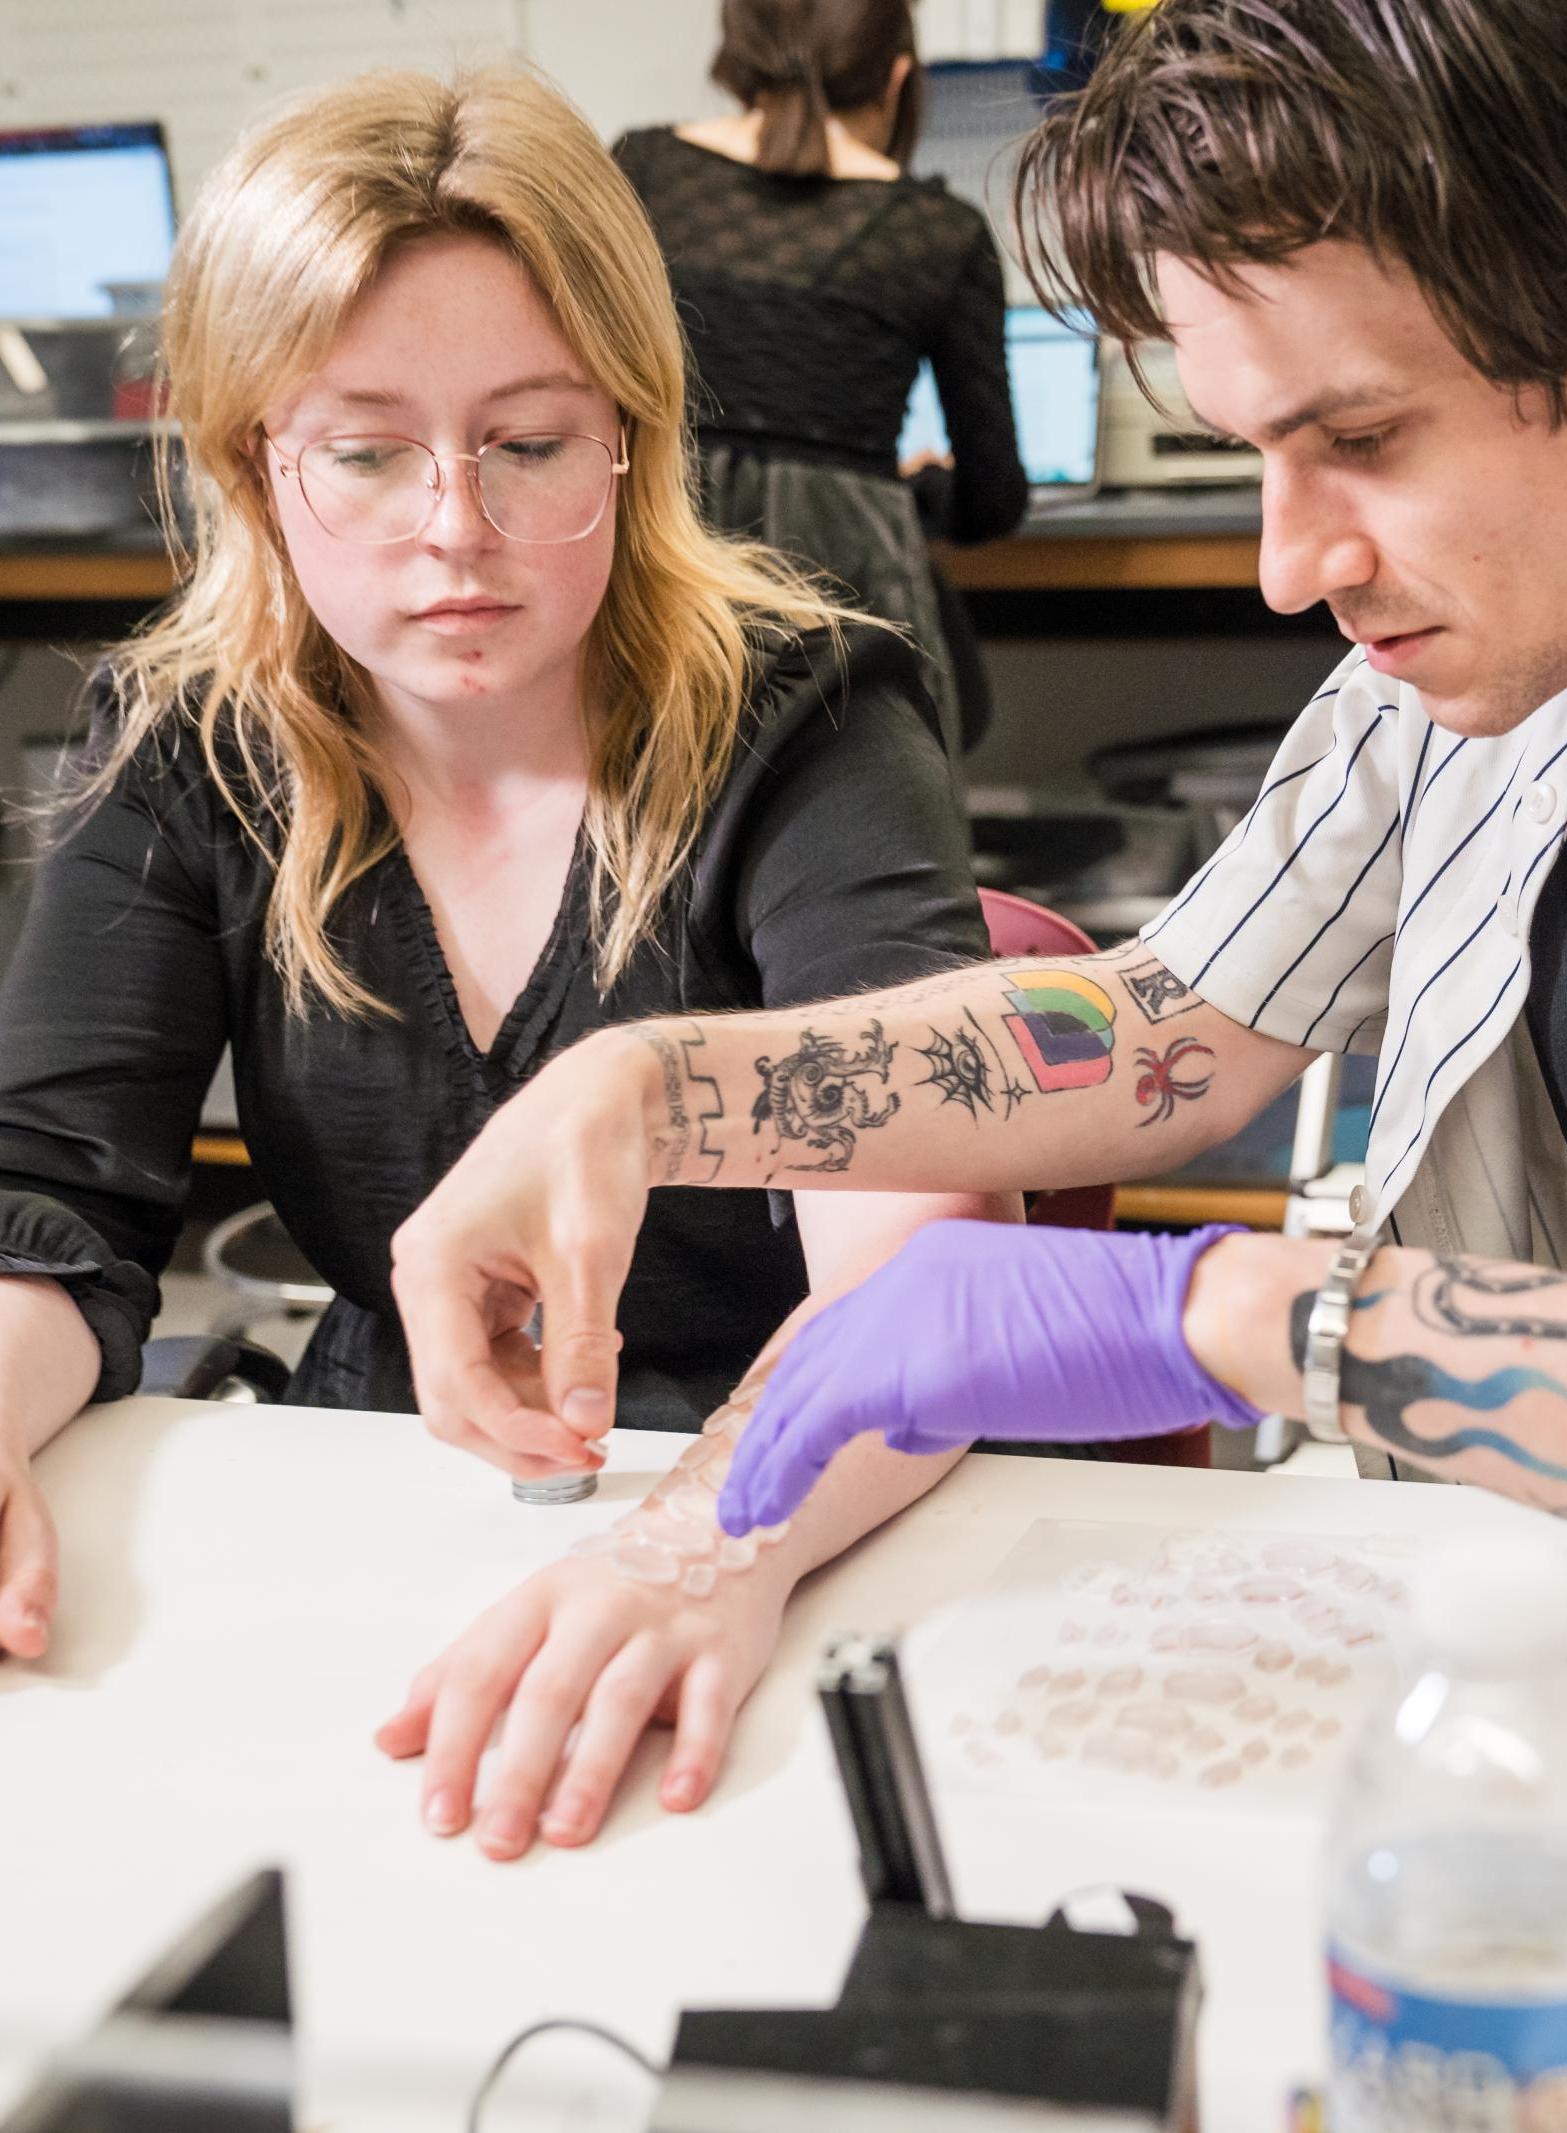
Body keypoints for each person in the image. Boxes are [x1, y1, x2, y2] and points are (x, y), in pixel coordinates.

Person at [390, 0, 1567, 1643]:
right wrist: (652, 1093)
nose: (1288, 563)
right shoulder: (1505, 657)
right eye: (1256, 456)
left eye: (1365, 439)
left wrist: (1227, 1310)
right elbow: (1160, 1035)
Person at [0, 67, 1018, 1857]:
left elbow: (920, 1248)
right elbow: (51, 1197)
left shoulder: (815, 713)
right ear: (255, 460)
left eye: (531, 443)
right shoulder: (186, 741)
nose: (452, 526)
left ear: (634, 432)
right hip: (387, 1504)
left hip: (786, 1497)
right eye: (369, 449)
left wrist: (705, 1541)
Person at [614, 0, 1029, 761]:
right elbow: (994, 499)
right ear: (898, 76)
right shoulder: (939, 232)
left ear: (739, 57)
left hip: (661, 586)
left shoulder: (640, 172)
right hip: (845, 609)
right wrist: (918, 490)